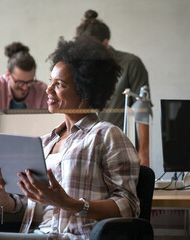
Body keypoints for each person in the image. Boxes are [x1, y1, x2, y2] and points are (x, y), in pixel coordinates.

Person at [0, 37, 140, 240]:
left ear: (84, 91)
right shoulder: (45, 142)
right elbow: (25, 209)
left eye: (59, 84)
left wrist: (69, 203)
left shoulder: (106, 135)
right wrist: (1, 194)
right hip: (35, 234)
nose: (48, 90)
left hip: (73, 237)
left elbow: (129, 207)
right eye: (51, 82)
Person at [76, 10, 151, 167]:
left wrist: (144, 156)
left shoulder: (131, 63)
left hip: (120, 147)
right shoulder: (76, 67)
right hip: (84, 147)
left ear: (105, 43)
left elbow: (142, 109)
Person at [0, 42, 48, 110]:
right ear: (8, 74)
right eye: (20, 82)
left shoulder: (42, 90)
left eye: (30, 82)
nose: (25, 88)